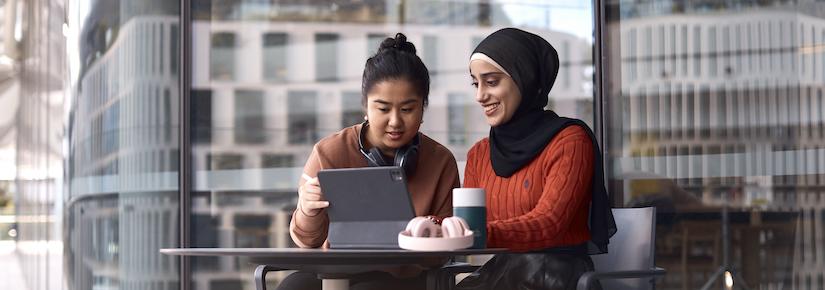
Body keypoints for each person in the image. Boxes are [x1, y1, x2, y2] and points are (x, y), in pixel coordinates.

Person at [278, 33, 460, 290]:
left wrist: (431, 233)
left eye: (407, 109)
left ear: (423, 108)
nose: (395, 121)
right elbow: (306, 241)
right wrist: (308, 211)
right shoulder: (329, 152)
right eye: (383, 109)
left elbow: (443, 254)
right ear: (365, 107)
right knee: (292, 286)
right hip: (337, 272)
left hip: (409, 278)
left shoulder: (440, 161)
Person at [457, 27, 616, 290]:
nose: (480, 95)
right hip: (505, 272)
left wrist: (481, 232)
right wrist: (437, 226)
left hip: (556, 276)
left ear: (525, 78)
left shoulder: (570, 140)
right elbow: (467, 225)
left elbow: (550, 223)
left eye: (492, 82)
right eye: (476, 83)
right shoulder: (479, 154)